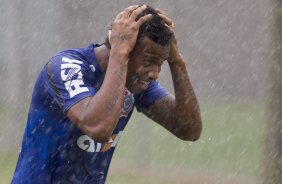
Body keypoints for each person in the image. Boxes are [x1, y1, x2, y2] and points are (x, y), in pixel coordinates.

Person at [12, 5, 202, 184]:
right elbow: (98, 127)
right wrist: (119, 52)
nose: (154, 73)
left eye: (160, 63)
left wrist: (177, 62)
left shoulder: (132, 82)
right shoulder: (65, 67)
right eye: (148, 61)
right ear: (124, 48)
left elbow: (189, 130)